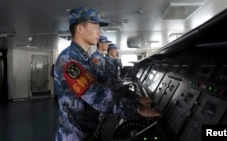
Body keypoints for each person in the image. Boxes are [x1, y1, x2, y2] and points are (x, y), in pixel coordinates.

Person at [53, 6, 161, 141]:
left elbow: (107, 83)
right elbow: (96, 94)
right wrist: (136, 109)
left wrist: (135, 98)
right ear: (80, 29)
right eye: (95, 27)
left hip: (89, 131)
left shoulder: (85, 60)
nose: (99, 32)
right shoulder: (68, 60)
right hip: (74, 136)